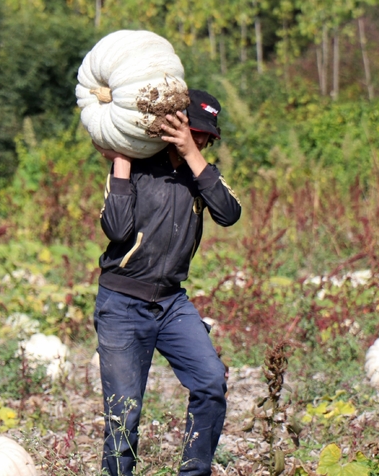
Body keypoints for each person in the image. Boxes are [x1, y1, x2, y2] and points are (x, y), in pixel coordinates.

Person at [91, 89, 242, 476]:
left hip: (172, 303)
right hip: (122, 303)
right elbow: (117, 228)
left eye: (205, 136)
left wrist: (194, 154)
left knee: (210, 382)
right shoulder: (138, 168)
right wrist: (121, 161)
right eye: (191, 131)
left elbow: (229, 213)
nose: (199, 139)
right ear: (169, 127)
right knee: (124, 412)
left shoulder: (202, 176)